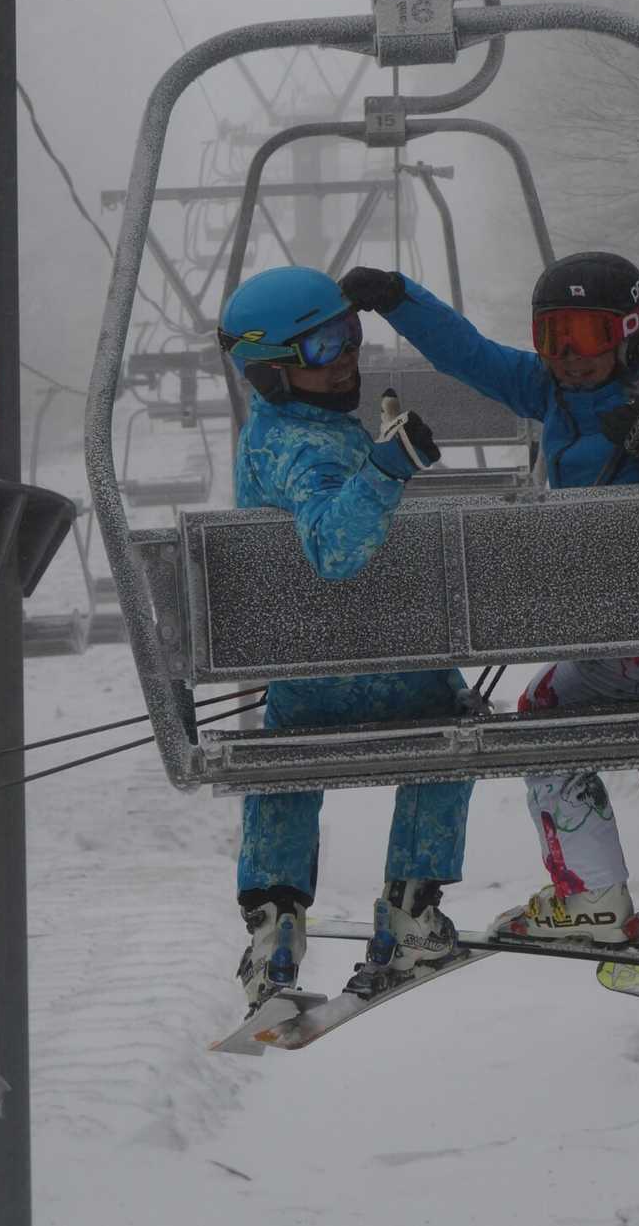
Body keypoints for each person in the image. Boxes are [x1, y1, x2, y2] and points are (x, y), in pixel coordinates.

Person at [338, 252, 639, 1031]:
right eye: (553, 337)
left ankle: (594, 895)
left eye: (586, 335)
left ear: (630, 333)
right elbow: (470, 354)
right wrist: (399, 299)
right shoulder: (549, 389)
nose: (569, 356)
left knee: (544, 717)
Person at [217, 265, 474, 1013]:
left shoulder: (278, 434)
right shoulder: (306, 448)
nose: (347, 358)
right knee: (453, 718)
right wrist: (390, 466)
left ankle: (275, 923)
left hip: (304, 680)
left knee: (283, 746)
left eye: (351, 334)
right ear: (270, 369)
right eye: (324, 346)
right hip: (381, 674)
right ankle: (412, 908)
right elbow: (334, 548)